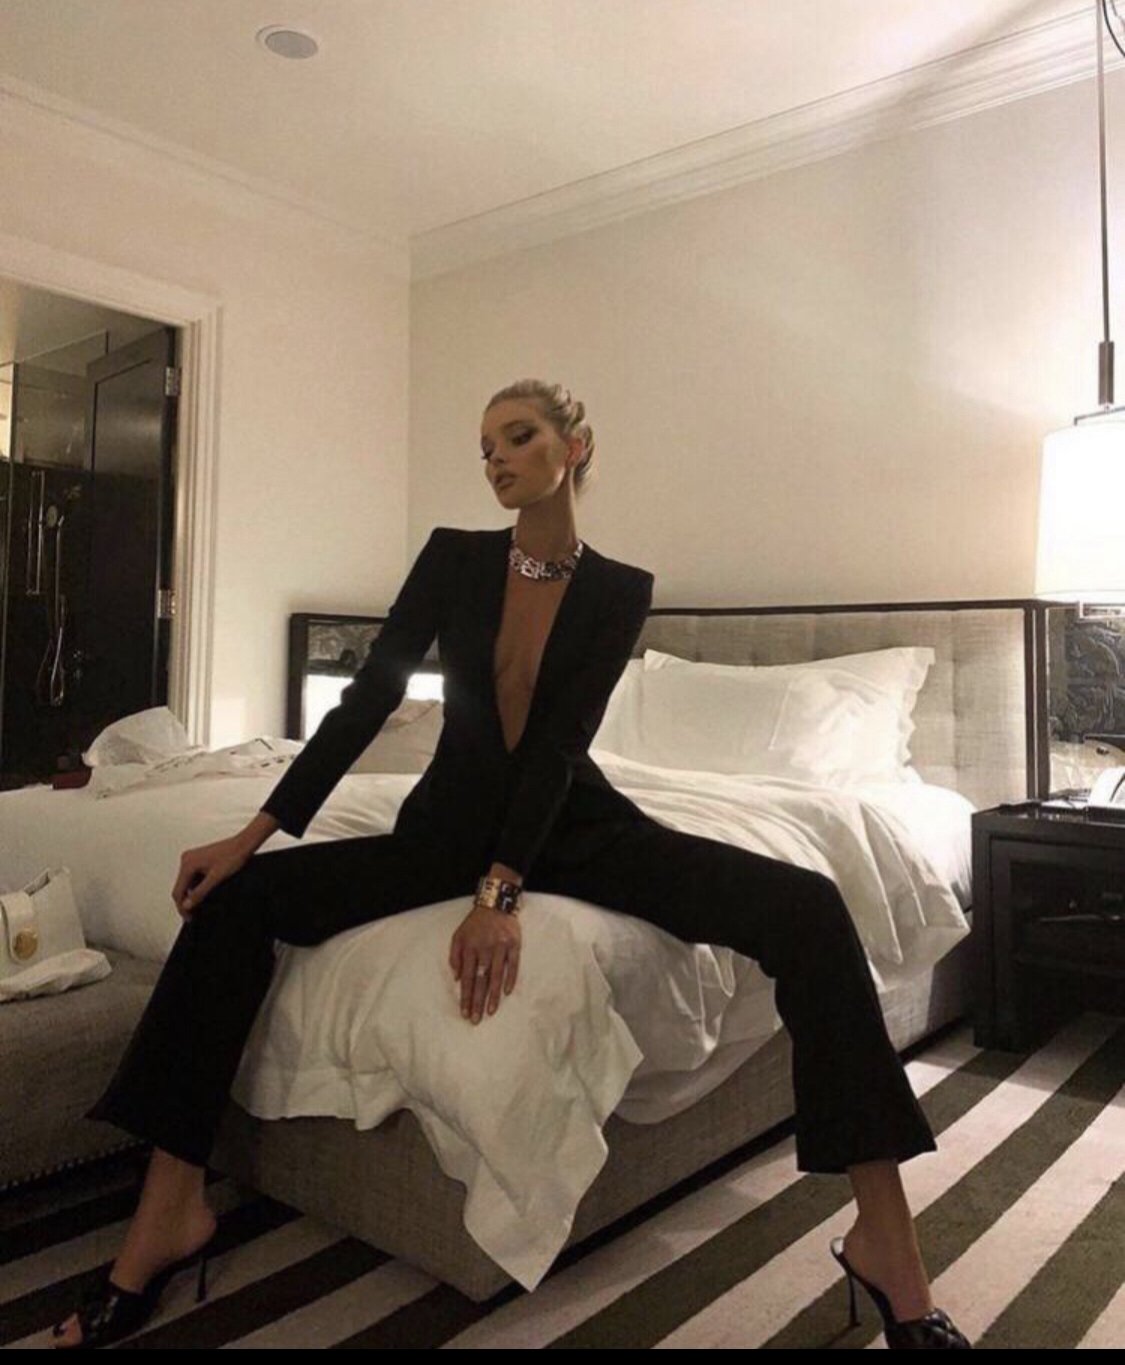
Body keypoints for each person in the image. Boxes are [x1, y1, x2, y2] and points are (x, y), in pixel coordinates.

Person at [53, 380, 970, 1349]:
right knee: (234, 901)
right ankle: (171, 1205)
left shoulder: (618, 588)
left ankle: (885, 1237)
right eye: (485, 446)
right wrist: (254, 833)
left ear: (574, 446)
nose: (495, 459)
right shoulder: (453, 558)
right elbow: (368, 699)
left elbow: (557, 746)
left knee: (808, 906)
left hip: (576, 827)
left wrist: (500, 892)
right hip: (442, 825)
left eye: (518, 437)